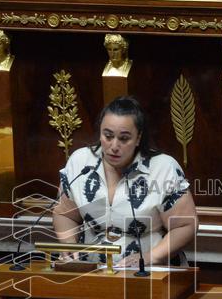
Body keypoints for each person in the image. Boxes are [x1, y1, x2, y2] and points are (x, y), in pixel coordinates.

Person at [52, 95, 198, 269]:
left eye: (124, 138)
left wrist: (150, 257)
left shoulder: (162, 168)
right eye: (108, 136)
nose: (114, 145)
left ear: (138, 138)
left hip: (149, 272)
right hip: (91, 271)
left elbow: (185, 225)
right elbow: (65, 214)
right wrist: (69, 246)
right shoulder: (80, 162)